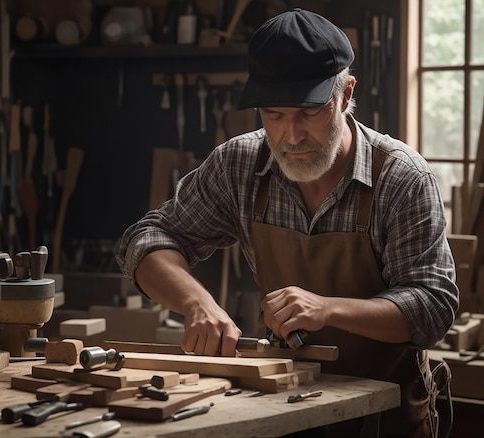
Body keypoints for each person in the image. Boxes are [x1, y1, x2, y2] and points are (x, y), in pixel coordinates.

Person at [116, 8, 458, 438]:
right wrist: (195, 304)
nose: (291, 136)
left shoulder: (402, 178)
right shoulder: (239, 165)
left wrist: (327, 308)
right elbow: (146, 238)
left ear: (346, 92)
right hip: (283, 406)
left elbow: (433, 306)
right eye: (274, 115)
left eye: (309, 112)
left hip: (383, 413)